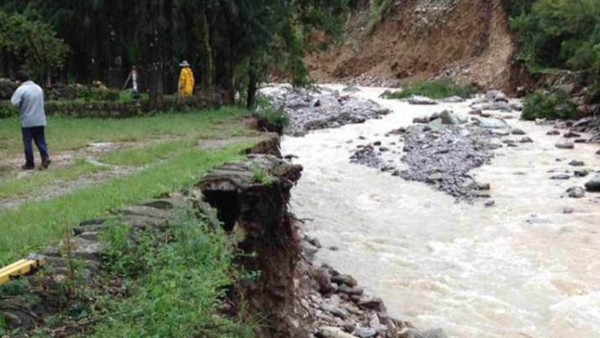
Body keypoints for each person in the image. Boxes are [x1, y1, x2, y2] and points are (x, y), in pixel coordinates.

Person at [11, 71, 51, 170]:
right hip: (40, 119)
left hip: (27, 121)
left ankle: (29, 163)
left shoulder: (21, 89)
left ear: (19, 80)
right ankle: (45, 157)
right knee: (40, 140)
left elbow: (14, 103)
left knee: (28, 142)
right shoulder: (38, 88)